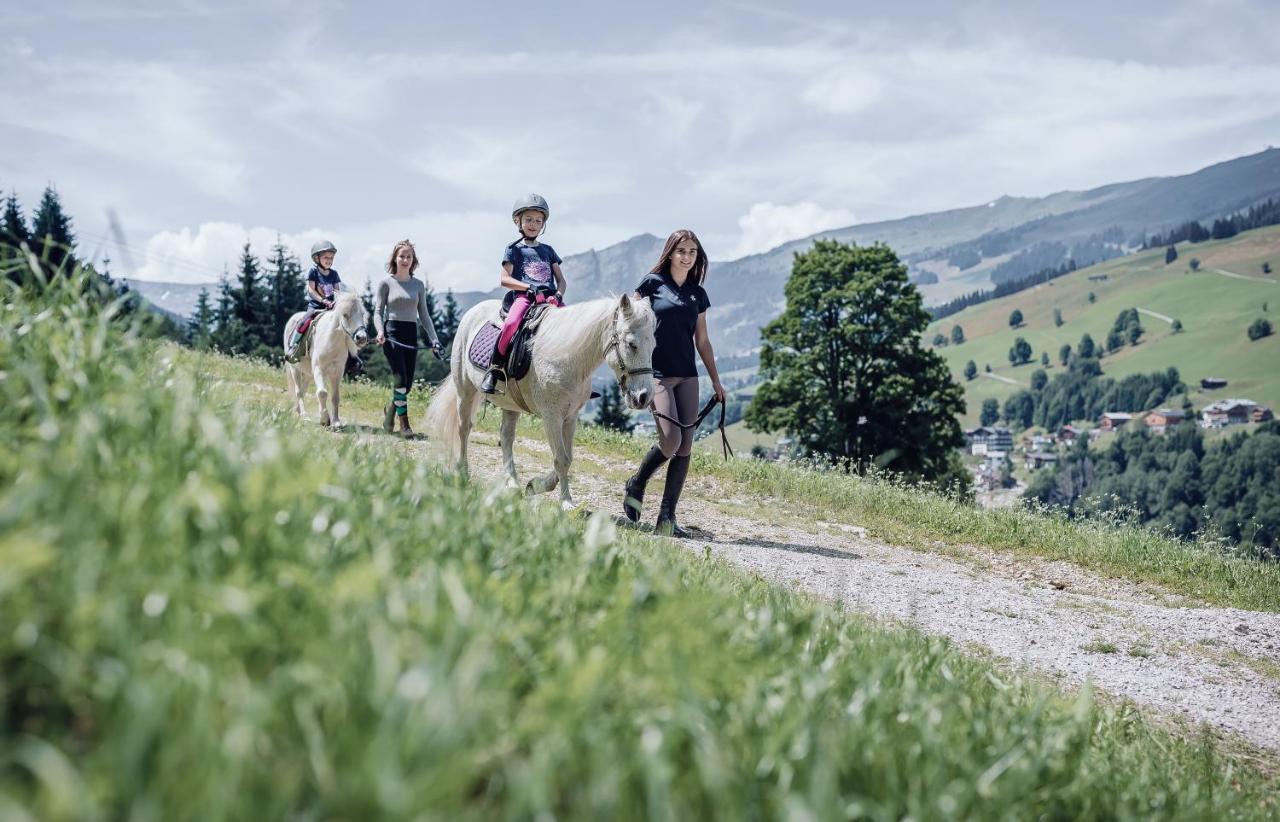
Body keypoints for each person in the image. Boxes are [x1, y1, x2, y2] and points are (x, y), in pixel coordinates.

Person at [623, 229, 725, 537]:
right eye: (682, 250)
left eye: (693, 252)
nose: (687, 256)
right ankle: (637, 482)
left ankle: (666, 520)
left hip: (688, 375)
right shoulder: (652, 284)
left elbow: (703, 341)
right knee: (670, 441)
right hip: (656, 374)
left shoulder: (697, 293)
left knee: (685, 447)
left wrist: (716, 382)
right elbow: (628, 320)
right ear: (670, 253)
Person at [480, 193, 567, 394]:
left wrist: (559, 295)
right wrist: (528, 288)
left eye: (538, 220)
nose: (533, 224)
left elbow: (561, 280)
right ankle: (495, 369)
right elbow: (504, 279)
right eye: (528, 219)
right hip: (525, 297)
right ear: (518, 221)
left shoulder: (549, 250)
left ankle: (575, 379)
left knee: (572, 329)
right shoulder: (513, 249)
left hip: (550, 300)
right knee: (511, 324)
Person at [373, 239, 443, 437]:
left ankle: (390, 414)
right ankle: (405, 425)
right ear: (395, 258)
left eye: (408, 256)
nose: (405, 259)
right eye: (401, 256)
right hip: (392, 334)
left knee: (408, 385)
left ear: (413, 260)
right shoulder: (386, 283)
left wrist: (434, 339)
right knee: (401, 380)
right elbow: (377, 311)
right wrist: (380, 331)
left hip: (411, 334)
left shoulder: (418, 285)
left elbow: (425, 316)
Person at [285, 239, 344, 361]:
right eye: (326, 257)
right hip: (316, 307)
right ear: (317, 258)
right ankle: (293, 347)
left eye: (331, 258)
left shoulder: (334, 274)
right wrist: (323, 301)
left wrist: (337, 301)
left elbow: (337, 291)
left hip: (332, 308)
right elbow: (311, 290)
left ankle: (351, 357)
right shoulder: (313, 272)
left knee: (346, 323)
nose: (329, 260)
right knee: (304, 322)